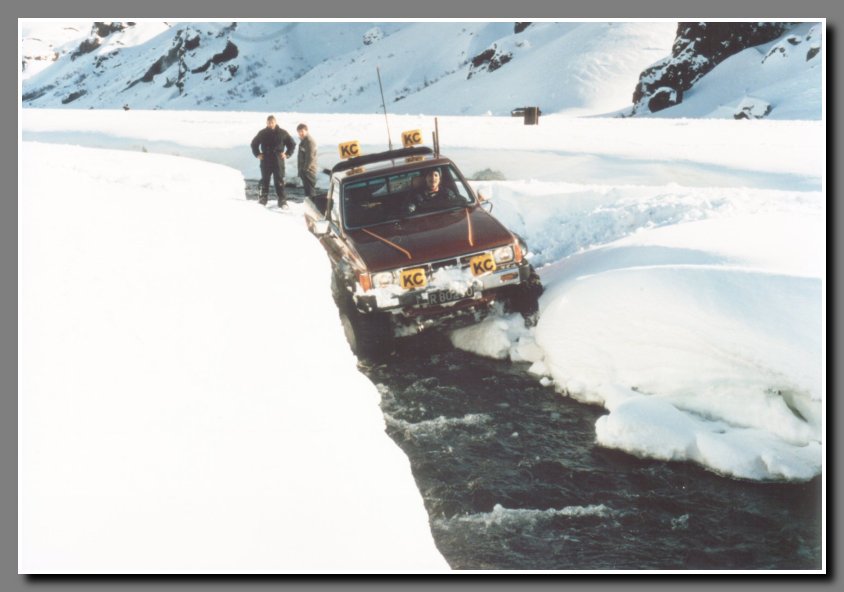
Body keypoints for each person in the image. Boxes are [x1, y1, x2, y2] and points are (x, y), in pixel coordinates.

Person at [250, 115, 295, 207]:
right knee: (265, 180)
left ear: (275, 122)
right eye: (269, 122)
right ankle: (263, 199)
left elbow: (292, 144)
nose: (270, 124)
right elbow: (254, 144)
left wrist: (287, 154)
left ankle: (282, 201)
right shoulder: (262, 133)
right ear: (266, 123)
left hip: (278, 160)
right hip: (265, 159)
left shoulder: (282, 133)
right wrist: (257, 154)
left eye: (272, 122)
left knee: (279, 180)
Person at [296, 123, 318, 199]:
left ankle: (314, 208)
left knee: (311, 193)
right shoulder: (303, 141)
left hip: (309, 171)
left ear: (306, 131)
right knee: (308, 193)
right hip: (305, 171)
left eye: (302, 131)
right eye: (299, 132)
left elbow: (310, 158)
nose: (300, 133)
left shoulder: (309, 142)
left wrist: (305, 170)